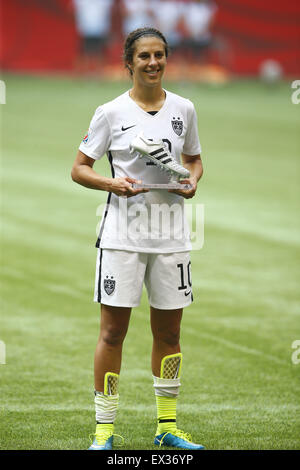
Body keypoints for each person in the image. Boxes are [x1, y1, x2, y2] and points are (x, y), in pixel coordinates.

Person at [71, 26, 204, 450]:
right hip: (122, 236)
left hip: (172, 236)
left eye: (160, 55)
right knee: (113, 333)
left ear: (167, 59)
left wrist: (192, 181)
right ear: (129, 63)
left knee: (170, 334)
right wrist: (114, 184)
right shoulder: (110, 112)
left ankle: (166, 427)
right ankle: (104, 433)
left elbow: (195, 160)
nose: (153, 63)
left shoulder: (184, 108)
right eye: (144, 56)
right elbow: (79, 168)